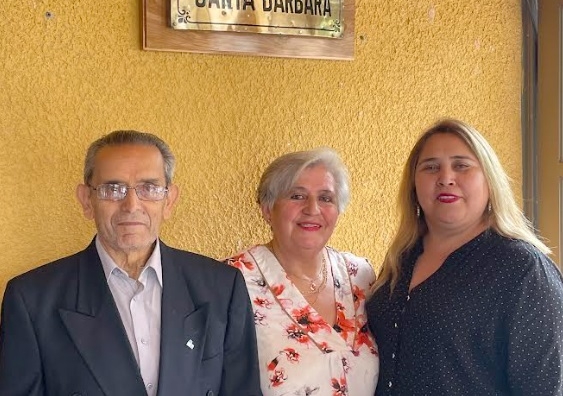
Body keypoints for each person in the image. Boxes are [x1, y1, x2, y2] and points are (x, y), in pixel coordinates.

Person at [0, 130, 262, 396]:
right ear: (86, 200)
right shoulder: (32, 300)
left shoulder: (222, 288)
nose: (131, 204)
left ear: (169, 200)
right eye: (113, 189)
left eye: (149, 188)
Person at [367, 118, 563, 395]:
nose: (445, 178)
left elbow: (543, 387)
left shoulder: (523, 270)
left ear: (489, 180)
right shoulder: (401, 258)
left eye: (461, 165)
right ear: (413, 184)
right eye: (431, 167)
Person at [225, 147, 379, 396]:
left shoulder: (361, 276)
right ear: (267, 210)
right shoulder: (231, 281)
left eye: (326, 198)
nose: (312, 208)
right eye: (297, 196)